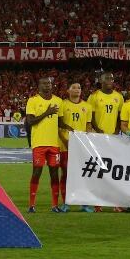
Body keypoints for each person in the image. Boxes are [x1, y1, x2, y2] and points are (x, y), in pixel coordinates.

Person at [24, 78, 64, 213]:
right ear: (39, 85)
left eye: (49, 83)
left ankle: (54, 205)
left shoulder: (58, 101)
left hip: (54, 144)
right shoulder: (33, 100)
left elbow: (60, 122)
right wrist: (47, 112)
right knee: (37, 172)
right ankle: (31, 205)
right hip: (39, 143)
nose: (47, 85)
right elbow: (30, 121)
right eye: (44, 83)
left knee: (54, 174)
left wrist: (74, 129)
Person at [57, 81, 93, 212]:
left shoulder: (87, 106)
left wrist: (87, 139)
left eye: (79, 87)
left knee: (83, 175)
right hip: (65, 146)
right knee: (66, 174)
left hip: (81, 147)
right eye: (74, 87)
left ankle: (84, 203)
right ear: (68, 90)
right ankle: (66, 202)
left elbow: (88, 125)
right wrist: (65, 141)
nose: (77, 89)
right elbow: (58, 125)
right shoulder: (62, 104)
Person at [87, 71, 124, 136]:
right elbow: (90, 116)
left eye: (111, 78)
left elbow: (120, 115)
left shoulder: (119, 96)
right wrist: (97, 130)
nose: (110, 80)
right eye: (107, 78)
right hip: (98, 133)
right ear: (101, 80)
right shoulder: (93, 96)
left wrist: (117, 129)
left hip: (114, 133)